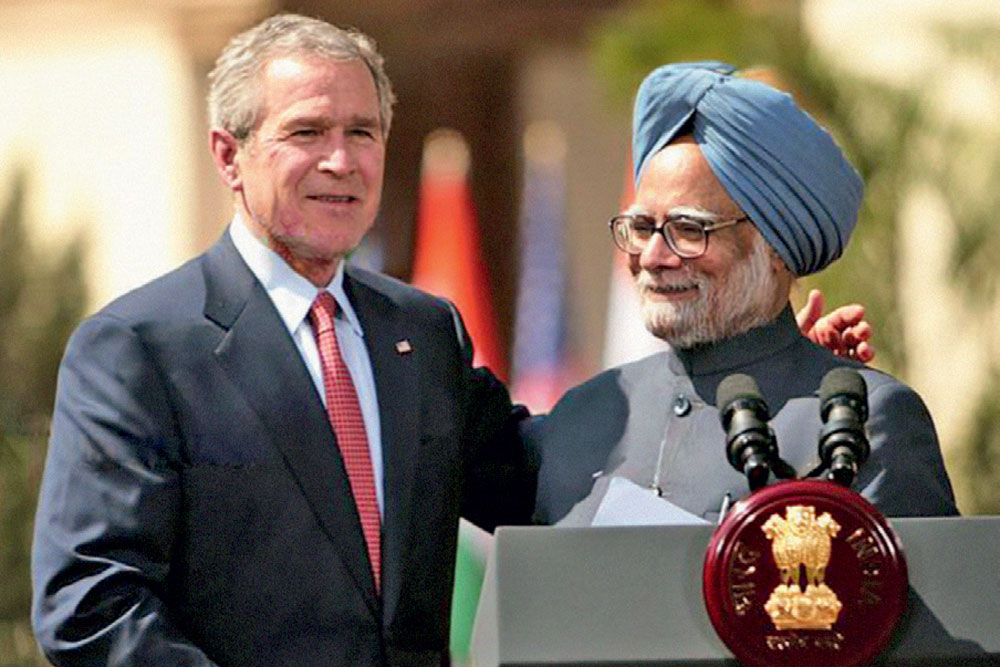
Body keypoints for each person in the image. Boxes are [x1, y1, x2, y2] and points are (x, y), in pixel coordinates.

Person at [30, 14, 534, 666]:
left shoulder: (425, 334)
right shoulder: (137, 350)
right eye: (306, 132)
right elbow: (90, 602)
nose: (341, 160)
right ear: (227, 154)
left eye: (363, 132)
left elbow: (535, 480)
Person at [530, 62, 958, 526]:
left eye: (689, 229)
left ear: (774, 248)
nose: (653, 256)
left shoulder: (864, 422)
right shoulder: (585, 413)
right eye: (641, 227)